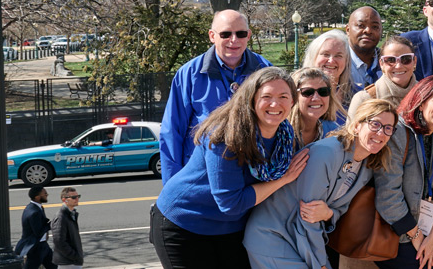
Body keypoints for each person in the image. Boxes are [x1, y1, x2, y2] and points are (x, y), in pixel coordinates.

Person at [152, 67, 310, 269]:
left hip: (230, 228)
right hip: (185, 224)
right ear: (251, 99)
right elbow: (231, 203)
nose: (275, 103)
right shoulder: (226, 136)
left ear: (292, 102)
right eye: (266, 96)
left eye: (283, 96)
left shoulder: (286, 136)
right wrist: (283, 179)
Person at [244, 99, 397, 268]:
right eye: (375, 124)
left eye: (388, 128)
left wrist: (329, 214)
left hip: (302, 240)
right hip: (273, 236)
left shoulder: (366, 167)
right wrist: (320, 264)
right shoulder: (326, 154)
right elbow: (308, 216)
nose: (381, 133)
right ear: (357, 126)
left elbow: (337, 210)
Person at [161, 9, 274, 183]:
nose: (234, 40)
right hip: (202, 178)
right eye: (226, 34)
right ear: (212, 36)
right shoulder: (189, 74)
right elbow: (172, 132)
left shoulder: (266, 71)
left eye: (241, 33)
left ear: (249, 35)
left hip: (252, 177)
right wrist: (172, 185)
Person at [368, 76, 433, 269]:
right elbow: (388, 196)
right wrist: (417, 237)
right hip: (393, 231)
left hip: (422, 228)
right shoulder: (398, 132)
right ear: (422, 102)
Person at [348, 36, 418, 122]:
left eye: (406, 59)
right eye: (390, 60)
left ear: (414, 61)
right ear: (381, 64)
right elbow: (350, 134)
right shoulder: (364, 99)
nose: (398, 66)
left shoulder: (427, 96)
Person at [291, 67, 344, 144]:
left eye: (323, 91)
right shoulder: (279, 132)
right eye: (308, 92)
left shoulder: (333, 131)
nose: (316, 98)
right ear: (293, 96)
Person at [303, 29, 354, 109]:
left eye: (338, 56)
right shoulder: (297, 93)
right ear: (313, 57)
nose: (331, 61)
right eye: (325, 54)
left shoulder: (356, 94)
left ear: (346, 60)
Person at [347, 6, 385, 92]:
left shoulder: (391, 63)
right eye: (361, 25)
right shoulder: (336, 64)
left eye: (375, 27)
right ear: (347, 30)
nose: (368, 30)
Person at [19, 186, 56, 269]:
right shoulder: (34, 212)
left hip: (43, 245)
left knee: (54, 266)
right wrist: (51, 224)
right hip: (36, 247)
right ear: (37, 197)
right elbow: (38, 232)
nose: (47, 195)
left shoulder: (36, 207)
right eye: (45, 194)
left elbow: (41, 222)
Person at [49, 187, 83, 269]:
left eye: (78, 196)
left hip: (73, 261)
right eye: (74, 197)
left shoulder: (71, 214)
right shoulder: (61, 217)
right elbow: (59, 241)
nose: (77, 199)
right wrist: (74, 255)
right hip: (68, 262)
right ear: (64, 200)